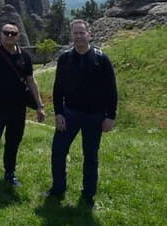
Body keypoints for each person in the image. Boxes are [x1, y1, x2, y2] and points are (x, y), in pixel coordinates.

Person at [46, 19, 118, 208]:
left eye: (82, 33)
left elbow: (111, 90)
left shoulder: (101, 59)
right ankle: (58, 188)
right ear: (71, 36)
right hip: (69, 113)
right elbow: (57, 89)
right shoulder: (64, 58)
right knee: (58, 151)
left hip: (95, 116)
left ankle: (88, 195)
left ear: (89, 34)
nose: (78, 36)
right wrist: (58, 113)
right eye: (75, 33)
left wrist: (111, 116)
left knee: (91, 156)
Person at [0, 21, 45, 194]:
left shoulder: (25, 57)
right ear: (1, 34)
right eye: (7, 32)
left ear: (18, 35)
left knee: (13, 143)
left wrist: (39, 105)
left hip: (18, 109)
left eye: (13, 33)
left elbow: (31, 81)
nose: (10, 36)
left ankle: (9, 174)